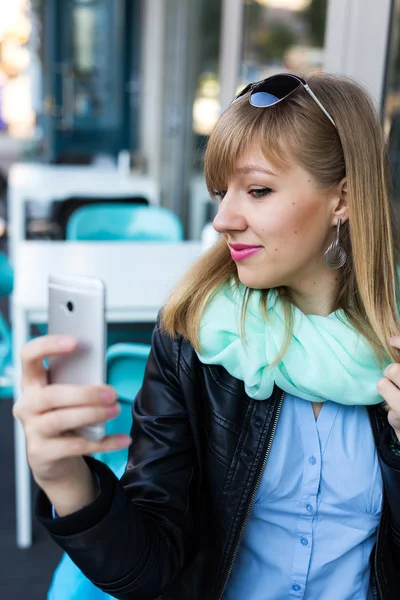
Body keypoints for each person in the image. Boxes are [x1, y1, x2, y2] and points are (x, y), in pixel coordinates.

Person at [14, 73, 400, 600]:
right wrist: (66, 480)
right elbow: (151, 568)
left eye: (258, 190)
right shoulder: (195, 336)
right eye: (222, 193)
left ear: (343, 200)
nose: (222, 219)